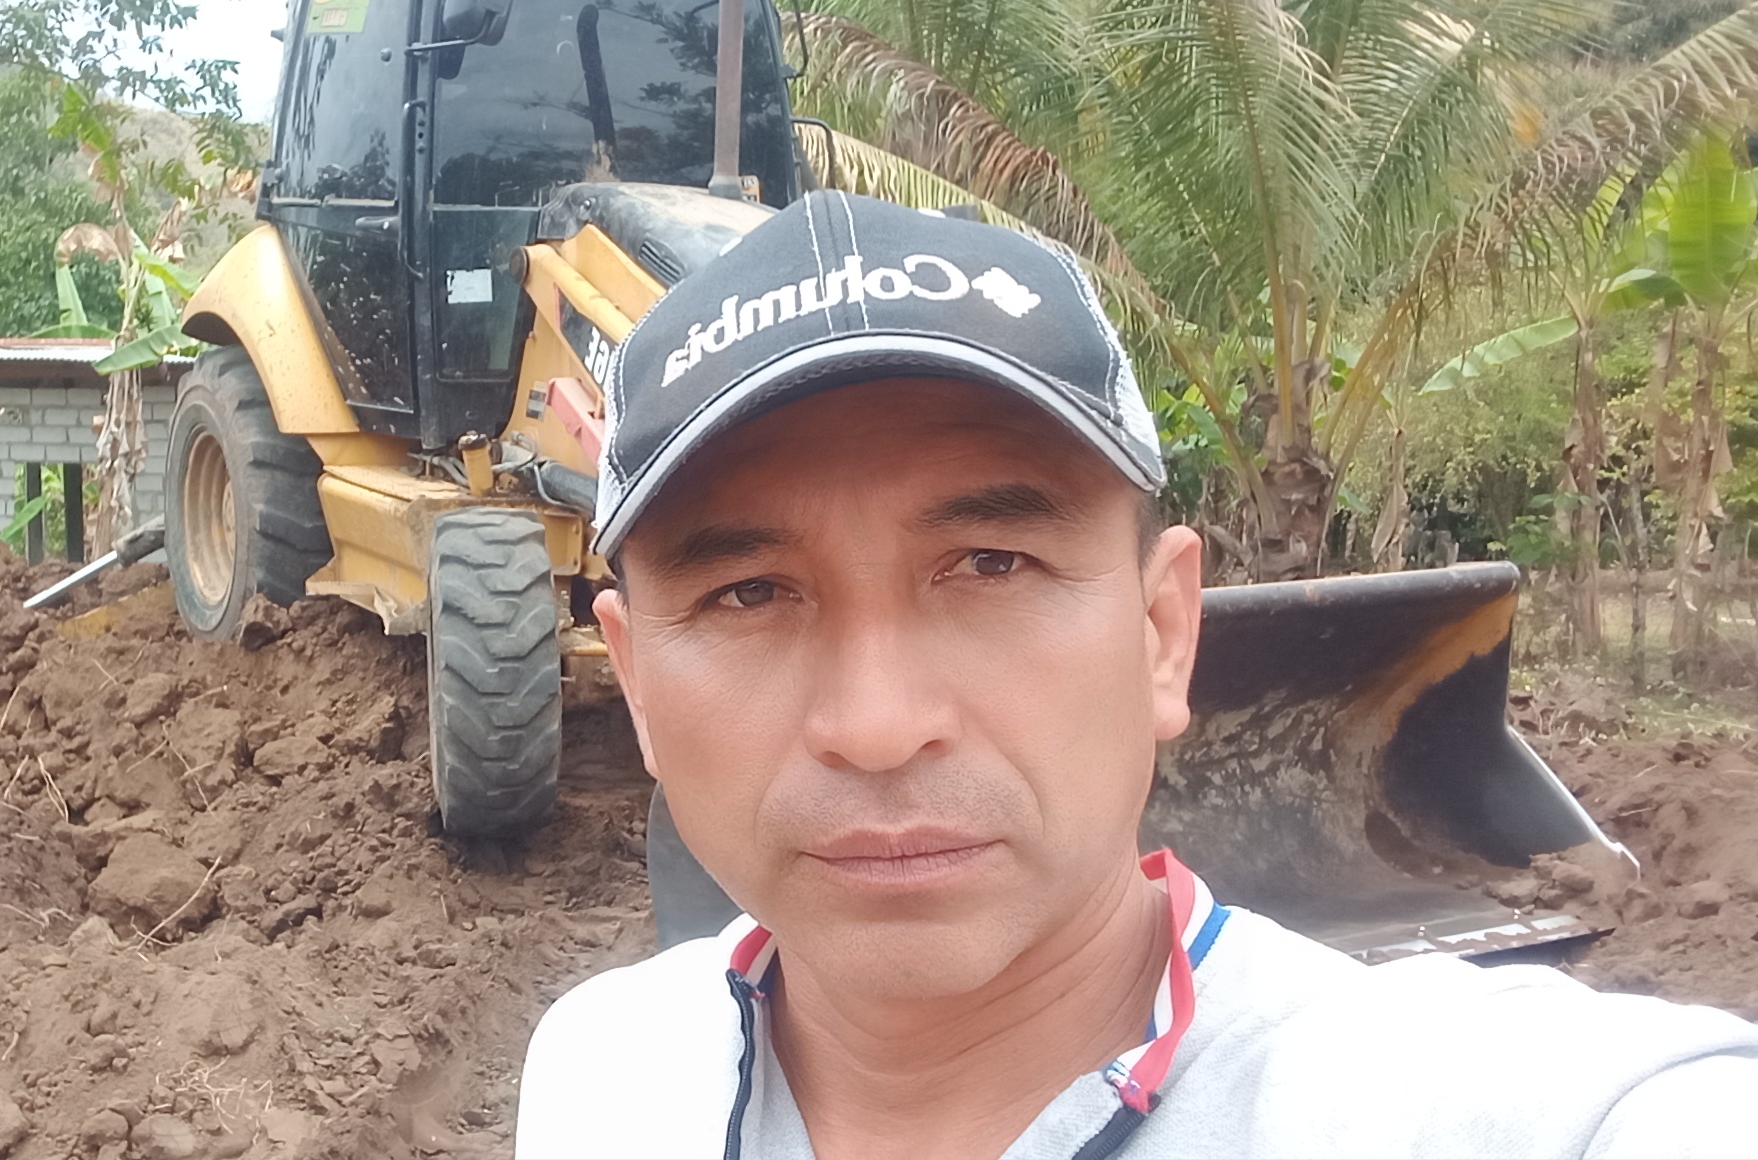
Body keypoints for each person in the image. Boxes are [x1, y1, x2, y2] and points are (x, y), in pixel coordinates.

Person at [514, 191, 1758, 1160]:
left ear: (1165, 631)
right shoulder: (604, 1070)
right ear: (637, 681)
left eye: (991, 563)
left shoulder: (1447, 1101)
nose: (878, 725)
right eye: (747, 592)